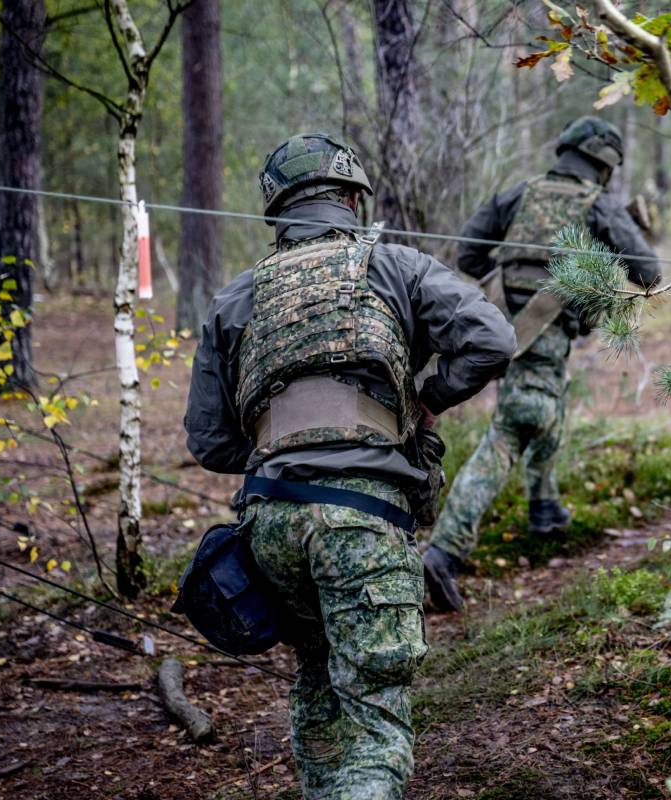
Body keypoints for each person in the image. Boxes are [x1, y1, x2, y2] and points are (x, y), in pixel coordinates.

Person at [183, 133, 515, 800]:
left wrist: (288, 433)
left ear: (276, 211)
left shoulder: (236, 298)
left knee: (316, 675)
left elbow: (211, 444)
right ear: (355, 199)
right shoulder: (395, 265)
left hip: (270, 520)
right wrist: (425, 400)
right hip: (363, 517)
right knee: (372, 715)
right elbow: (493, 338)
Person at [423, 116, 660, 613]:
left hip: (501, 330)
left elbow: (469, 252)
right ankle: (444, 550)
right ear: (605, 165)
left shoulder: (517, 194)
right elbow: (650, 271)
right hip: (543, 335)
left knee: (547, 406)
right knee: (519, 424)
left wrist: (511, 282)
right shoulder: (599, 205)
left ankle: (544, 507)